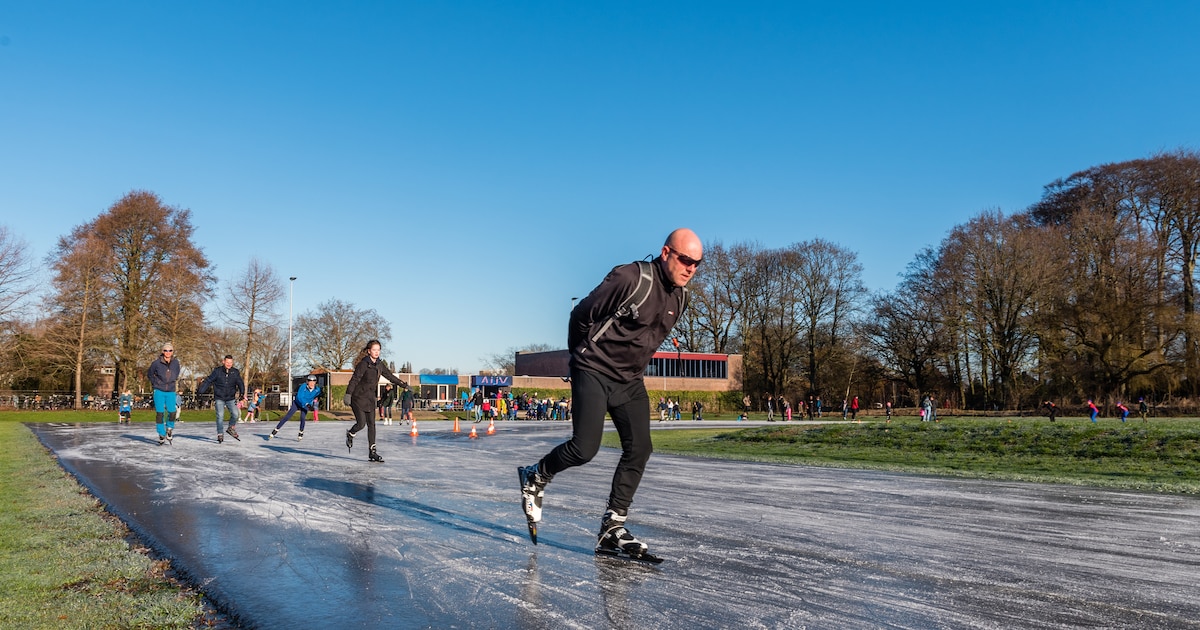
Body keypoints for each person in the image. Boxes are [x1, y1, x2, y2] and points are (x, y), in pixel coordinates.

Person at [518, 228, 701, 559]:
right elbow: (580, 315)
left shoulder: (681, 298)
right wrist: (580, 356)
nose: (691, 269)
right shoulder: (630, 278)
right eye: (685, 260)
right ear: (666, 253)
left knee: (640, 448)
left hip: (630, 380)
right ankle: (535, 475)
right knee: (584, 449)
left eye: (697, 264)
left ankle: (612, 527)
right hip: (593, 369)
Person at [343, 340, 408, 463]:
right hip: (358, 398)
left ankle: (372, 452)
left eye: (378, 350)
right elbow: (354, 379)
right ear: (369, 351)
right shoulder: (363, 364)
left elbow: (390, 376)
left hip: (370, 399)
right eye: (374, 350)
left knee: (372, 425)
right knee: (361, 424)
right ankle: (351, 433)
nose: (376, 352)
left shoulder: (379, 364)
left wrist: (402, 384)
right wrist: (348, 394)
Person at [198, 354, 246, 443]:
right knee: (220, 416)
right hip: (219, 397)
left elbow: (240, 383)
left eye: (230, 362)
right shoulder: (217, 371)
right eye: (227, 362)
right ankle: (220, 433)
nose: (229, 364)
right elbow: (209, 380)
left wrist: (242, 393)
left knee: (235, 414)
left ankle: (231, 428)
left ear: (232, 363)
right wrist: (201, 390)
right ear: (223, 362)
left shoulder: (235, 372)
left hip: (230, 398)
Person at [146, 343, 181, 445]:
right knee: (160, 413)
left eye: (170, 350)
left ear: (172, 352)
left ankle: (169, 428)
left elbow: (176, 373)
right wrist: (155, 383)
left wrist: (172, 379)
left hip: (170, 390)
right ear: (162, 351)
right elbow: (150, 374)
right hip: (159, 390)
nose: (168, 352)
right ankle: (161, 433)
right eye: (166, 350)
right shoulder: (156, 363)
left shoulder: (176, 363)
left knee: (172, 411)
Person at [272, 375, 322, 440]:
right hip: (297, 403)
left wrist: (312, 404)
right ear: (307, 382)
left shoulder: (317, 390)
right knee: (288, 416)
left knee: (302, 418)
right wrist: (306, 404)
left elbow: (315, 397)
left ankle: (301, 432)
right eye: (310, 381)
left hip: (306, 405)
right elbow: (299, 397)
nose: (312, 383)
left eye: (313, 381)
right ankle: (276, 429)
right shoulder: (303, 386)